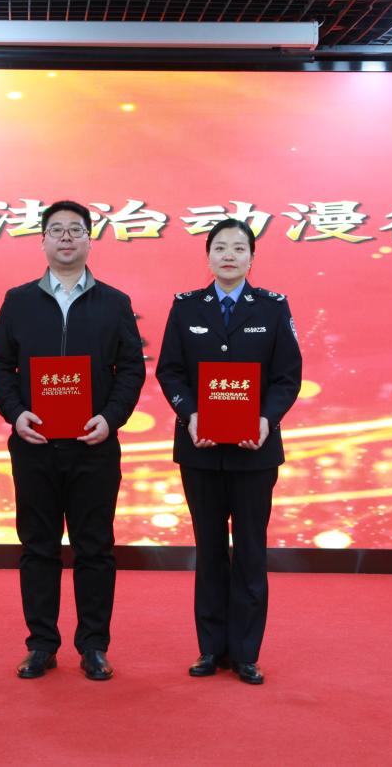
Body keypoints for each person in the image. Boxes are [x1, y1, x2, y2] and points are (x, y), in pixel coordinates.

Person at [0, 200, 145, 681]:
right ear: (42, 241)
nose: (66, 238)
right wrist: (15, 413)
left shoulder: (114, 302)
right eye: (56, 230)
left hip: (93, 446)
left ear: (89, 240)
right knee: (38, 546)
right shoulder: (19, 300)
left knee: (94, 548)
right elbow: (0, 364)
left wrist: (110, 419)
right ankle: (41, 644)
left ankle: (93, 646)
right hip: (34, 445)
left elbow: (131, 369)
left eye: (75, 230)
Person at [155, 217, 303, 685]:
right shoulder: (185, 307)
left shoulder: (273, 307)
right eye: (220, 247)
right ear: (208, 255)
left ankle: (245, 653)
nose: (229, 256)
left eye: (239, 248)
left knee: (251, 551)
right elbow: (170, 371)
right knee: (210, 550)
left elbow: (287, 378)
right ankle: (210, 648)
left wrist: (266, 420)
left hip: (254, 450)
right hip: (200, 449)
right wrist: (190, 415)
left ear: (252, 257)